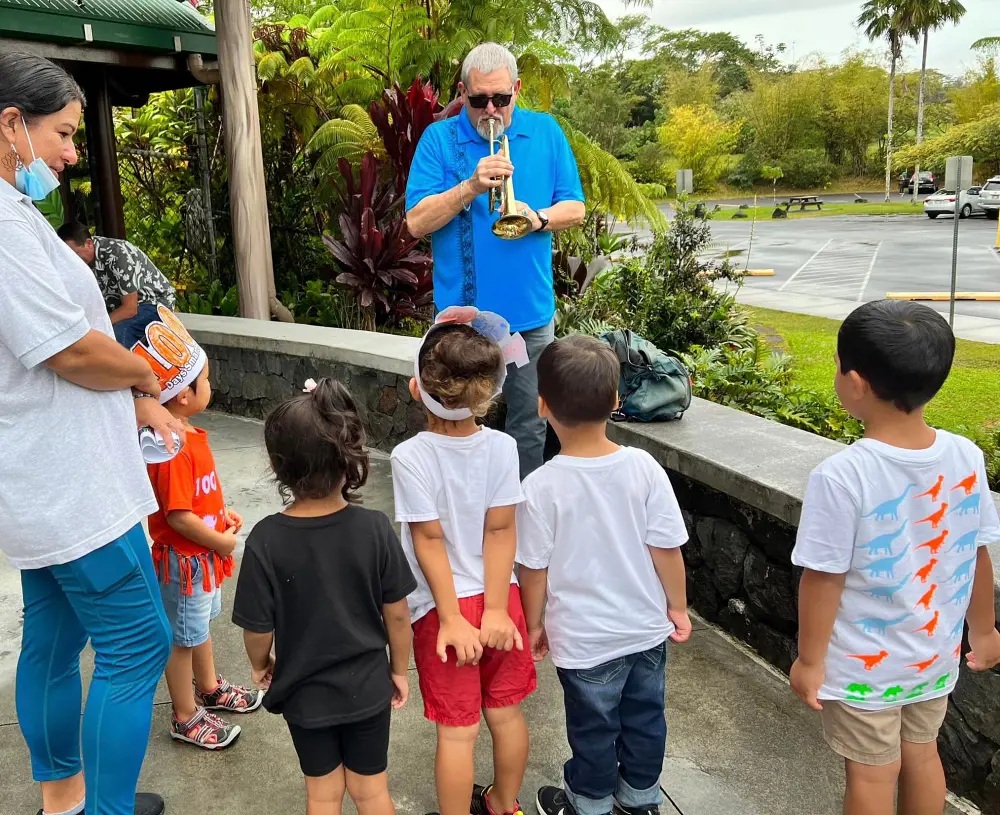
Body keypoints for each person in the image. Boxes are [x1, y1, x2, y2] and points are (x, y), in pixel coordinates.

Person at [1, 51, 184, 815]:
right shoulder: (5, 230)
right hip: (69, 485)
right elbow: (69, 349)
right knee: (139, 641)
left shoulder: (16, 215)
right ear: (12, 124)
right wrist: (146, 377)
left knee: (51, 633)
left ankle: (62, 799)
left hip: (42, 476)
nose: (73, 153)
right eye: (64, 133)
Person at [789, 300, 1000, 815]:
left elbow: (822, 578)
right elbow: (977, 552)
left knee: (871, 772)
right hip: (932, 657)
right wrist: (987, 629)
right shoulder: (966, 455)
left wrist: (810, 660)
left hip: (865, 666)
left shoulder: (842, 476)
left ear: (855, 383)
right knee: (923, 755)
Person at [515, 335, 692, 815]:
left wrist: (534, 624)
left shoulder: (540, 487)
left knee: (594, 729)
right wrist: (676, 607)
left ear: (542, 405)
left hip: (585, 641)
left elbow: (533, 568)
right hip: (644, 630)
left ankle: (589, 803)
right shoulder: (644, 467)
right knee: (646, 720)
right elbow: (667, 548)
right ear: (616, 401)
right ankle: (640, 799)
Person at [233, 378, 416, 815]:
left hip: (305, 695)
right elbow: (398, 616)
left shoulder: (265, 540)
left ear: (280, 467)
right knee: (372, 792)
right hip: (368, 689)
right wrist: (400, 671)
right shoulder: (374, 529)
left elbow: (257, 628)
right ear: (347, 461)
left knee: (322, 794)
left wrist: (262, 665)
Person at [406, 42, 586, 479]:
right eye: (478, 99)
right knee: (455, 423)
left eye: (501, 99)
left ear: (516, 90)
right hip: (461, 321)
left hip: (529, 317)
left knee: (529, 425)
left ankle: (518, 518)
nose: (490, 110)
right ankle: (461, 508)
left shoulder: (546, 132)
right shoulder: (439, 140)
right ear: (462, 91)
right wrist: (469, 186)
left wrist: (537, 217)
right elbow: (415, 222)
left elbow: (576, 208)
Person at [390, 309, 536, 815]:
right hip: (501, 602)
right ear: (489, 394)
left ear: (418, 388)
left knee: (458, 732)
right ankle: (504, 804)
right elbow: (501, 530)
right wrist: (496, 611)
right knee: (506, 713)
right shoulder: (503, 446)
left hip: (442, 612)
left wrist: (453, 618)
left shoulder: (410, 456)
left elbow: (427, 540)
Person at [141, 322, 263, 750]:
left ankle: (208, 687)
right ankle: (184, 714)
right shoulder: (172, 447)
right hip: (186, 561)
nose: (210, 384)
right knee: (181, 639)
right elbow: (177, 517)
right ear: (183, 395)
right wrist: (221, 542)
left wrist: (218, 514)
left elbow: (195, 501)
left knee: (198, 629)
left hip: (202, 558)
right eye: (205, 379)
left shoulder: (191, 435)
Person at [58, 221, 177, 349]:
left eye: (74, 254)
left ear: (89, 244)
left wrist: (98, 326)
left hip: (153, 303)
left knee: (117, 334)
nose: (70, 260)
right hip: (119, 308)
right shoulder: (74, 264)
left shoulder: (117, 253)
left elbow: (130, 309)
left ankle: (132, 368)